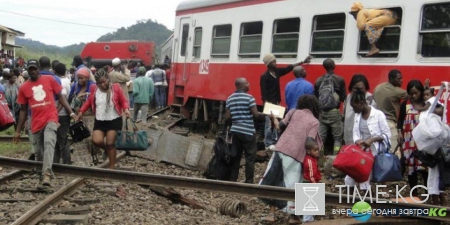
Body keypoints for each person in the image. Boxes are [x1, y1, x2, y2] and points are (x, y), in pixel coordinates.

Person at [14, 59, 77, 186]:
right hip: (36, 122)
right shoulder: (24, 87)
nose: (33, 71)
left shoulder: (49, 80)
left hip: (51, 118)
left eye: (35, 68)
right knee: (39, 152)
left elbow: (61, 97)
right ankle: (41, 176)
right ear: (27, 70)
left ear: (39, 69)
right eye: (30, 69)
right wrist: (17, 131)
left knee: (49, 143)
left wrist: (71, 112)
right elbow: (23, 110)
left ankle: (47, 174)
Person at [260, 95, 322, 224]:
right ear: (315, 108)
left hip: (280, 148)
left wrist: (273, 118)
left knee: (274, 179)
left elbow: (279, 126)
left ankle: (271, 214)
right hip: (295, 154)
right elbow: (309, 141)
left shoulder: (293, 112)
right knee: (293, 184)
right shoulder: (314, 122)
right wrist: (315, 152)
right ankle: (294, 216)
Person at [77, 67, 130, 169]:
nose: (102, 85)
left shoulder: (116, 87)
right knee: (96, 140)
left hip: (114, 119)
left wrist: (126, 109)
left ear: (108, 79)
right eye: (99, 83)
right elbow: (89, 102)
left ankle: (111, 167)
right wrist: (81, 111)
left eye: (104, 82)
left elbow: (123, 100)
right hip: (100, 120)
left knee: (110, 143)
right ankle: (109, 150)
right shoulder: (94, 89)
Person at [260, 54, 311, 149]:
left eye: (275, 61)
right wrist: (266, 104)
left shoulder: (277, 72)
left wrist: (302, 62)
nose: (275, 63)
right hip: (269, 102)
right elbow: (263, 91)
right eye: (273, 62)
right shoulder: (265, 76)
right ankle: (268, 143)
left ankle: (275, 141)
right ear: (268, 64)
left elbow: (289, 68)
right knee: (268, 123)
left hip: (276, 101)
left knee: (277, 122)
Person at [345, 89, 391, 196]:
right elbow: (355, 133)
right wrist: (358, 140)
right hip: (362, 151)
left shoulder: (378, 114)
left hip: (376, 152)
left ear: (361, 104)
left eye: (354, 106)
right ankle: (348, 201)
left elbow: (387, 135)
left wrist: (372, 140)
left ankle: (367, 202)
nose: (353, 109)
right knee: (349, 177)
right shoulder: (357, 116)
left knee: (363, 176)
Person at [225, 78, 265, 184]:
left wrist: (232, 126)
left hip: (235, 131)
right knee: (250, 158)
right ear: (241, 86)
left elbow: (228, 117)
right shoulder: (249, 98)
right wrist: (268, 114)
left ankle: (233, 180)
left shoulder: (229, 98)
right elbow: (256, 115)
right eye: (247, 83)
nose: (249, 84)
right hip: (248, 131)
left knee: (236, 156)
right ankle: (248, 182)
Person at [397, 80, 428, 197]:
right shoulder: (405, 104)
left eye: (416, 93)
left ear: (421, 92)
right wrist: (399, 131)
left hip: (423, 141)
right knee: (411, 167)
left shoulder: (426, 104)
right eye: (411, 93)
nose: (414, 96)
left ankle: (427, 193)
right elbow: (400, 120)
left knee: (425, 167)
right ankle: (414, 193)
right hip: (408, 140)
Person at [314, 58, 346, 155]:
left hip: (322, 112)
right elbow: (343, 97)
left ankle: (320, 159)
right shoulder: (339, 79)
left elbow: (316, 96)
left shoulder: (318, 80)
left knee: (321, 138)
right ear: (333, 65)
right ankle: (335, 157)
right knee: (337, 138)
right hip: (334, 112)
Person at [374, 69, 407, 155]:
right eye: (399, 78)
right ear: (391, 79)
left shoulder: (378, 87)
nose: (401, 80)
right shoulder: (397, 91)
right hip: (390, 123)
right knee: (395, 151)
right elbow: (412, 95)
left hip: (377, 123)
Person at [343, 74, 376, 145]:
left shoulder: (369, 98)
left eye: (360, 89)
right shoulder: (348, 97)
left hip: (365, 136)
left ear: (365, 87)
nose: (358, 91)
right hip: (349, 134)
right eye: (355, 88)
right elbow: (344, 116)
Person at [53, 63, 72, 164]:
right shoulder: (67, 81)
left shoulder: (59, 81)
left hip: (60, 114)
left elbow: (62, 99)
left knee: (61, 140)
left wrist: (55, 111)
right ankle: (57, 161)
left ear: (55, 71)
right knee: (60, 139)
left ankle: (66, 161)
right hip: (65, 113)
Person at [302, 140, 322, 223]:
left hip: (311, 181)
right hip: (309, 183)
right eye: (315, 150)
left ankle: (310, 218)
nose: (317, 152)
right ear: (309, 151)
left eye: (318, 150)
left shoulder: (313, 159)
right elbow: (311, 175)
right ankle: (306, 219)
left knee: (311, 202)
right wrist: (314, 184)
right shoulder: (309, 161)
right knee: (309, 201)